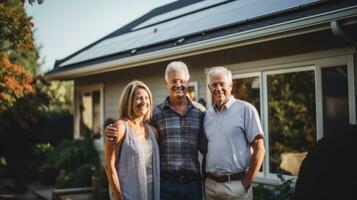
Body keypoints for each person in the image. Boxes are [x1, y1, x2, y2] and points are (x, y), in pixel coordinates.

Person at [106, 61, 205, 200]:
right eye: (174, 81)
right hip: (166, 185)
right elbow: (132, 129)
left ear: (188, 82)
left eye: (182, 81)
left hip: (192, 185)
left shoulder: (200, 113)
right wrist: (111, 129)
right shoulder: (156, 114)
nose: (178, 85)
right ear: (166, 84)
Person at [202, 66, 265, 200]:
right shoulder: (207, 115)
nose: (218, 88)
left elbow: (259, 149)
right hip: (210, 187)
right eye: (214, 84)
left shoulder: (246, 110)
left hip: (236, 186)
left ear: (230, 85)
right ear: (209, 88)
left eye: (222, 84)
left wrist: (245, 184)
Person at [104, 80, 160, 200]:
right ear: (128, 101)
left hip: (152, 192)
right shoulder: (120, 127)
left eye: (146, 98)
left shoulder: (153, 131)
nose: (144, 102)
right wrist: (119, 197)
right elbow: (109, 166)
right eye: (139, 98)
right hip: (128, 193)